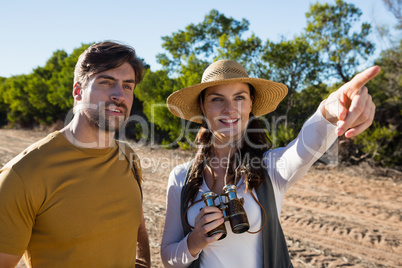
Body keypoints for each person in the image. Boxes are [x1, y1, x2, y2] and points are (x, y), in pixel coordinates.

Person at [161, 59, 379, 267]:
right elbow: (168, 258)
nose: (229, 109)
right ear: (202, 106)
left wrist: (331, 109)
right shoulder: (181, 177)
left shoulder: (270, 168)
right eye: (217, 99)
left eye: (239, 98)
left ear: (251, 103)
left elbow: (304, 146)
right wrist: (194, 242)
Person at [0, 41, 151, 268]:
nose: (119, 95)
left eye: (128, 86)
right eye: (106, 82)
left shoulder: (128, 157)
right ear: (78, 91)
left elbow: (138, 229)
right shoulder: (22, 174)